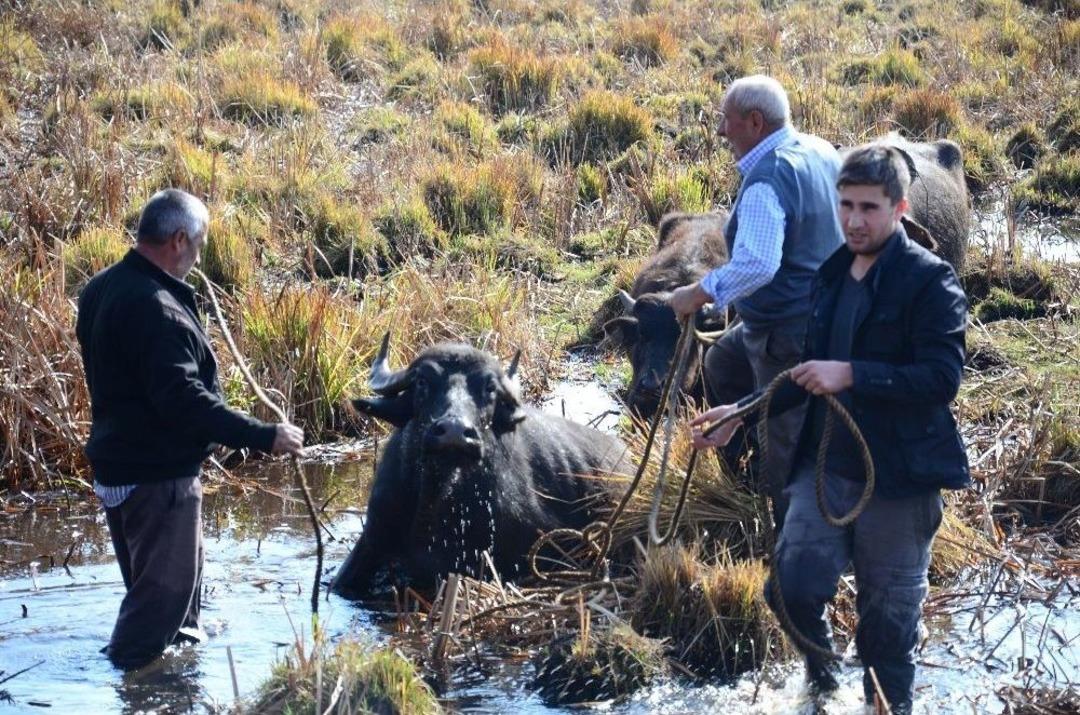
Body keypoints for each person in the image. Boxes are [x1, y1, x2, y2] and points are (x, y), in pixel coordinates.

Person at [689, 145, 970, 713]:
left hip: (899, 482)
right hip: (827, 472)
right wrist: (741, 412)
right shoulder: (831, 274)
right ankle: (823, 686)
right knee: (788, 591)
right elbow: (807, 375)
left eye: (869, 207)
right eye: (846, 206)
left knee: (887, 632)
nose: (854, 221)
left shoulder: (931, 282)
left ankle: (884, 705)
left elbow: (941, 380)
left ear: (900, 208)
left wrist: (853, 374)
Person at [76, 188, 305, 670]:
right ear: (178, 240)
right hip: (157, 479)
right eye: (199, 244)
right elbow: (184, 401)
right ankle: (128, 690)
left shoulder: (101, 288)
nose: (200, 256)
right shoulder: (157, 308)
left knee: (176, 611)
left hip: (119, 470)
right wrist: (264, 435)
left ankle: (178, 688)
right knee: (157, 609)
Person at [668, 75, 844, 529]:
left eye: (725, 120)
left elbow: (758, 265)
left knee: (784, 441)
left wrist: (696, 294)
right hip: (826, 318)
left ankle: (789, 539)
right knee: (722, 365)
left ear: (754, 121)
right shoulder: (821, 151)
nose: (720, 131)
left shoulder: (768, 178)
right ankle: (745, 481)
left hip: (786, 333)